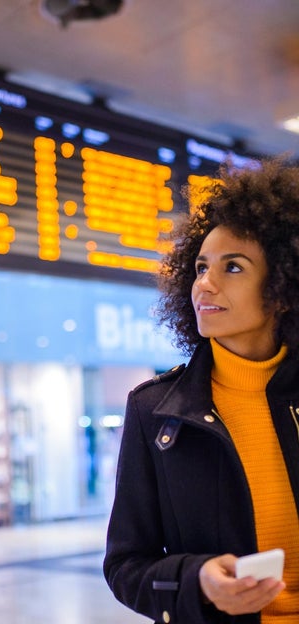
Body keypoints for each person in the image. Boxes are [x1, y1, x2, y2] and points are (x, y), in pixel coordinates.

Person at [103, 157, 299, 623]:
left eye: (233, 267)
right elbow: (125, 566)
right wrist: (199, 581)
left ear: (283, 287)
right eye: (200, 266)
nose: (204, 285)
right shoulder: (157, 410)